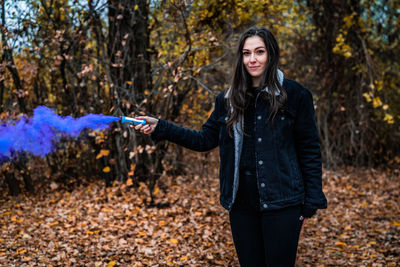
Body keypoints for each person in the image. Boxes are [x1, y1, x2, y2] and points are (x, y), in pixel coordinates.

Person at [133, 26, 327, 267]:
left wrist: (311, 201)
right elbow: (203, 139)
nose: (252, 59)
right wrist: (160, 127)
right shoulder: (228, 99)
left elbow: (309, 149)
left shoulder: (296, 95)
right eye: (247, 53)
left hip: (283, 203)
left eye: (259, 51)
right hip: (242, 206)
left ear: (271, 54)